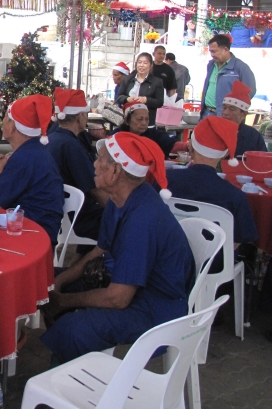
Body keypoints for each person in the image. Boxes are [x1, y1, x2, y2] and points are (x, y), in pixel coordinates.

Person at [41, 132, 195, 363]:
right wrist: (60, 282)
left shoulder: (142, 220)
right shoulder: (119, 199)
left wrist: (63, 301)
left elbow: (118, 298)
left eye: (100, 159)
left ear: (115, 171)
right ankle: (72, 358)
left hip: (154, 306)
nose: (94, 164)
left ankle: (68, 374)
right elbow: (98, 251)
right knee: (43, 281)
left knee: (74, 329)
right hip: (125, 283)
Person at [165, 116, 258, 264]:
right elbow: (238, 240)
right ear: (225, 154)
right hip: (213, 266)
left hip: (167, 259)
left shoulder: (165, 180)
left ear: (191, 146)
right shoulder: (235, 196)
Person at [0, 94, 64, 244]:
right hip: (38, 227)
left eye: (6, 117)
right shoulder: (33, 151)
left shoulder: (24, 159)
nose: (3, 122)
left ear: (12, 126)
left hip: (33, 233)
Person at [47, 89, 109, 253]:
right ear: (80, 116)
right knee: (124, 224)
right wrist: (121, 210)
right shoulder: (70, 145)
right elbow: (94, 189)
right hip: (75, 217)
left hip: (61, 210)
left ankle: (82, 262)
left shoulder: (52, 138)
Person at [201, 33, 256, 118]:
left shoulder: (240, 67)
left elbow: (250, 92)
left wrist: (233, 111)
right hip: (206, 112)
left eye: (214, 51)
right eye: (210, 51)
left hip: (227, 116)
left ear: (225, 49)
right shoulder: (211, 65)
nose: (212, 54)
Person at [117, 52, 164, 125]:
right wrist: (127, 99)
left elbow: (159, 102)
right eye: (139, 62)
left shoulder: (157, 82)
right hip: (129, 121)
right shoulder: (127, 79)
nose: (141, 65)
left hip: (147, 122)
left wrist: (146, 100)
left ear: (151, 65)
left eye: (145, 63)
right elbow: (119, 97)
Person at [221, 80, 267, 156]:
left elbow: (263, 160)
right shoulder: (212, 131)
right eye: (224, 108)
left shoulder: (253, 136)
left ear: (243, 114)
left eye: (231, 109)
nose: (225, 112)